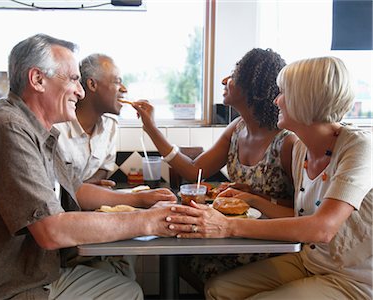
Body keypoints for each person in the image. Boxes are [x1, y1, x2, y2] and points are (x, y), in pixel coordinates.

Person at [0, 34, 183, 299]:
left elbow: (77, 189)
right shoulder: (7, 130)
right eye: (73, 79)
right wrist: (148, 222)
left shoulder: (35, 129)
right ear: (37, 79)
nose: (81, 91)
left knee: (119, 277)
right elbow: (51, 231)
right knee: (126, 292)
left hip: (23, 273)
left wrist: (141, 200)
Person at [168, 56, 372, 299]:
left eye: (283, 92)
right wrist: (252, 199)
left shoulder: (359, 147)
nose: (276, 100)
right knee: (218, 289)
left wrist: (228, 226)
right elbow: (301, 217)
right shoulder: (301, 149)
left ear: (304, 98)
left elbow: (322, 228)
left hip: (353, 278)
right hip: (310, 261)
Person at [132, 48, 297, 289]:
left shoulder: (287, 142)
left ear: (251, 86)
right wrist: (151, 129)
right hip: (233, 238)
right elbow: (194, 171)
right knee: (175, 256)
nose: (224, 80)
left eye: (233, 74)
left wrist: (254, 198)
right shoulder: (237, 128)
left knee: (182, 257)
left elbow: (299, 212)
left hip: (268, 245)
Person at [55, 53, 126, 188]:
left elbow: (104, 168)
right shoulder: (56, 128)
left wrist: (88, 187)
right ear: (92, 84)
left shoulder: (110, 124)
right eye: (117, 82)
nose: (124, 89)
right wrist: (84, 190)